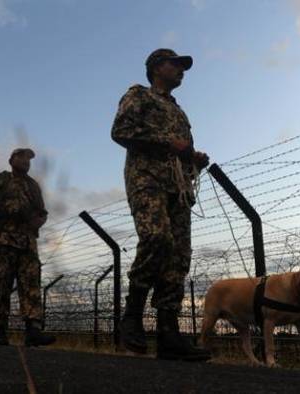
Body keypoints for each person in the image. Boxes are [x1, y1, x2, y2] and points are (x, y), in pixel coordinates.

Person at [111, 48, 210, 361]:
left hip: (177, 186)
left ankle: (169, 334)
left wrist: (193, 158)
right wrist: (169, 143)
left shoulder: (179, 112)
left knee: (179, 256)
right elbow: (121, 131)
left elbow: (181, 148)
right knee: (156, 237)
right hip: (146, 180)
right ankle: (132, 316)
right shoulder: (138, 95)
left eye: (183, 67)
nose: (181, 70)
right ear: (157, 68)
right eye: (175, 65)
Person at [0, 148, 56, 347]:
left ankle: (33, 330)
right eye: (21, 157)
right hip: (5, 238)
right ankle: (0, 330)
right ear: (11, 159)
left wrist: (37, 223)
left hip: (28, 242)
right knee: (3, 284)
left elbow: (42, 212)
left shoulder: (33, 186)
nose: (26, 161)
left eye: (29, 159)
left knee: (31, 283)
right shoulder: (0, 180)